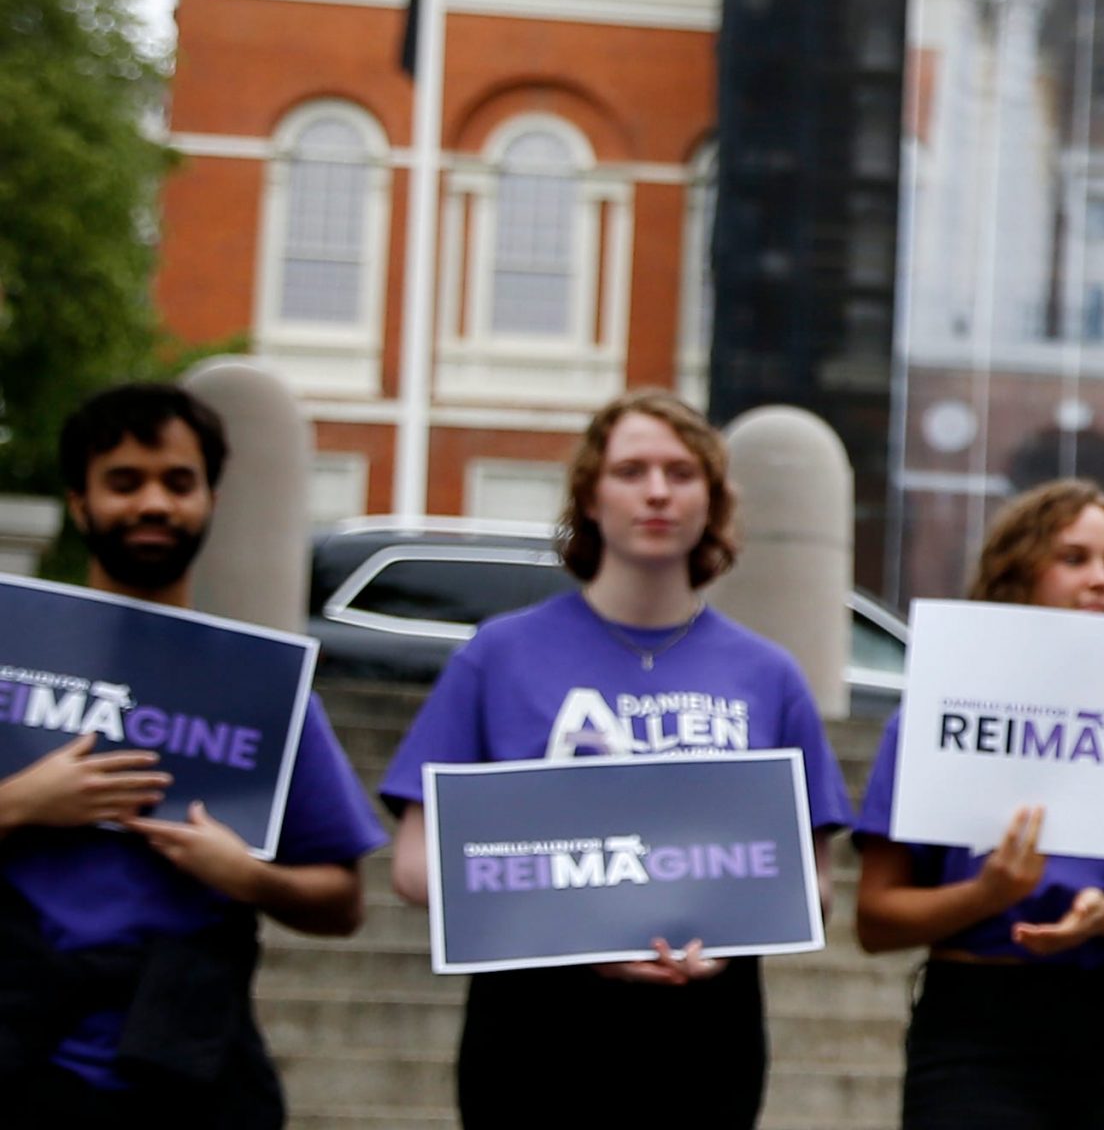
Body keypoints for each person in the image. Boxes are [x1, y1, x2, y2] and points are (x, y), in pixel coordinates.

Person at [381, 389, 852, 1128]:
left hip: (704, 1032)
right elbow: (414, 863)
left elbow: (814, 883)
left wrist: (728, 935)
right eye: (632, 470)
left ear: (713, 500)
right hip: (534, 1030)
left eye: (682, 472)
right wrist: (569, 931)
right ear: (591, 498)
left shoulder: (767, 674)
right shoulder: (499, 656)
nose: (658, 490)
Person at [0, 381, 384, 1127]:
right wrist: (24, 802)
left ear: (210, 499)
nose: (154, 503)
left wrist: (245, 875)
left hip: (190, 1077)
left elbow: (343, 904)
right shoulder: (10, 654)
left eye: (179, 482)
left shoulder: (260, 686)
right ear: (79, 503)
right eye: (124, 482)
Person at [852, 479, 1104, 1129]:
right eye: (1073, 558)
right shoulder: (936, 714)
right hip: (978, 1029)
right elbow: (877, 918)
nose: (1101, 581)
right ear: (1015, 573)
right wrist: (988, 895)